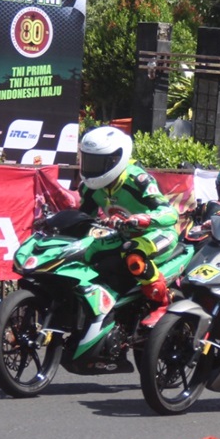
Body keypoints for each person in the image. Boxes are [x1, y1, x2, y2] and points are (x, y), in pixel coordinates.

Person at [78, 126, 179, 327]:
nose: (92, 168)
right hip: (122, 234)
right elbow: (84, 219)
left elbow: (170, 213)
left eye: (98, 162)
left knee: (133, 253)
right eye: (88, 161)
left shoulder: (138, 180)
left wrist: (145, 219)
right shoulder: (89, 188)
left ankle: (161, 302)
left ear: (117, 159)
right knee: (86, 252)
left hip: (157, 233)